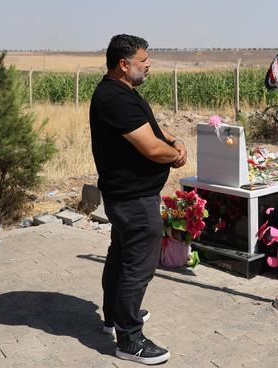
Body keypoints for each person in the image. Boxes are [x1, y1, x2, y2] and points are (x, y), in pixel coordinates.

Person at [91, 34, 188, 365]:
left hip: (126, 195)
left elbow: (152, 131)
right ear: (124, 64)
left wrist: (173, 140)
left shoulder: (123, 93)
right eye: (143, 60)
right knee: (139, 265)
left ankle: (113, 316)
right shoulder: (114, 99)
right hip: (133, 198)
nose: (148, 65)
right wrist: (174, 155)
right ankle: (129, 338)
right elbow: (149, 147)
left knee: (120, 255)